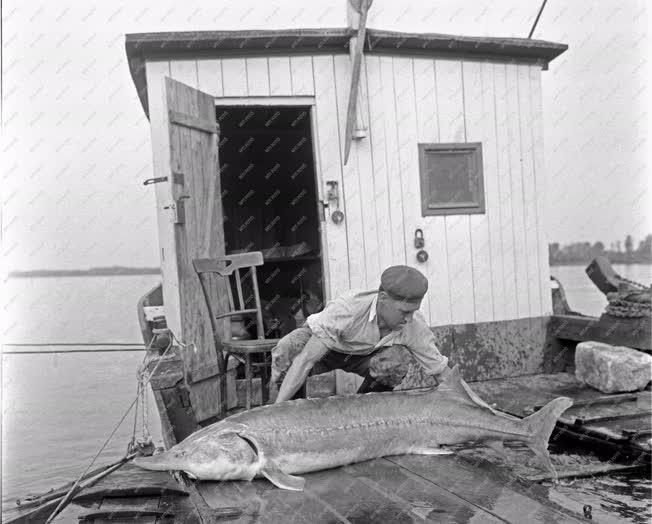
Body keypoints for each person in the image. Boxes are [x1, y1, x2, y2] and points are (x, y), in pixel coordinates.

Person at [270, 265, 452, 403]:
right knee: (289, 348)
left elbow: (440, 371)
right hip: (325, 350)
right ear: (382, 298)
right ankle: (285, 413)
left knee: (396, 361)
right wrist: (278, 409)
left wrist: (473, 404)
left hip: (362, 356)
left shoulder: (414, 325)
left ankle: (363, 411)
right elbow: (305, 360)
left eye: (414, 311)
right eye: (404, 312)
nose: (409, 319)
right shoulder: (348, 308)